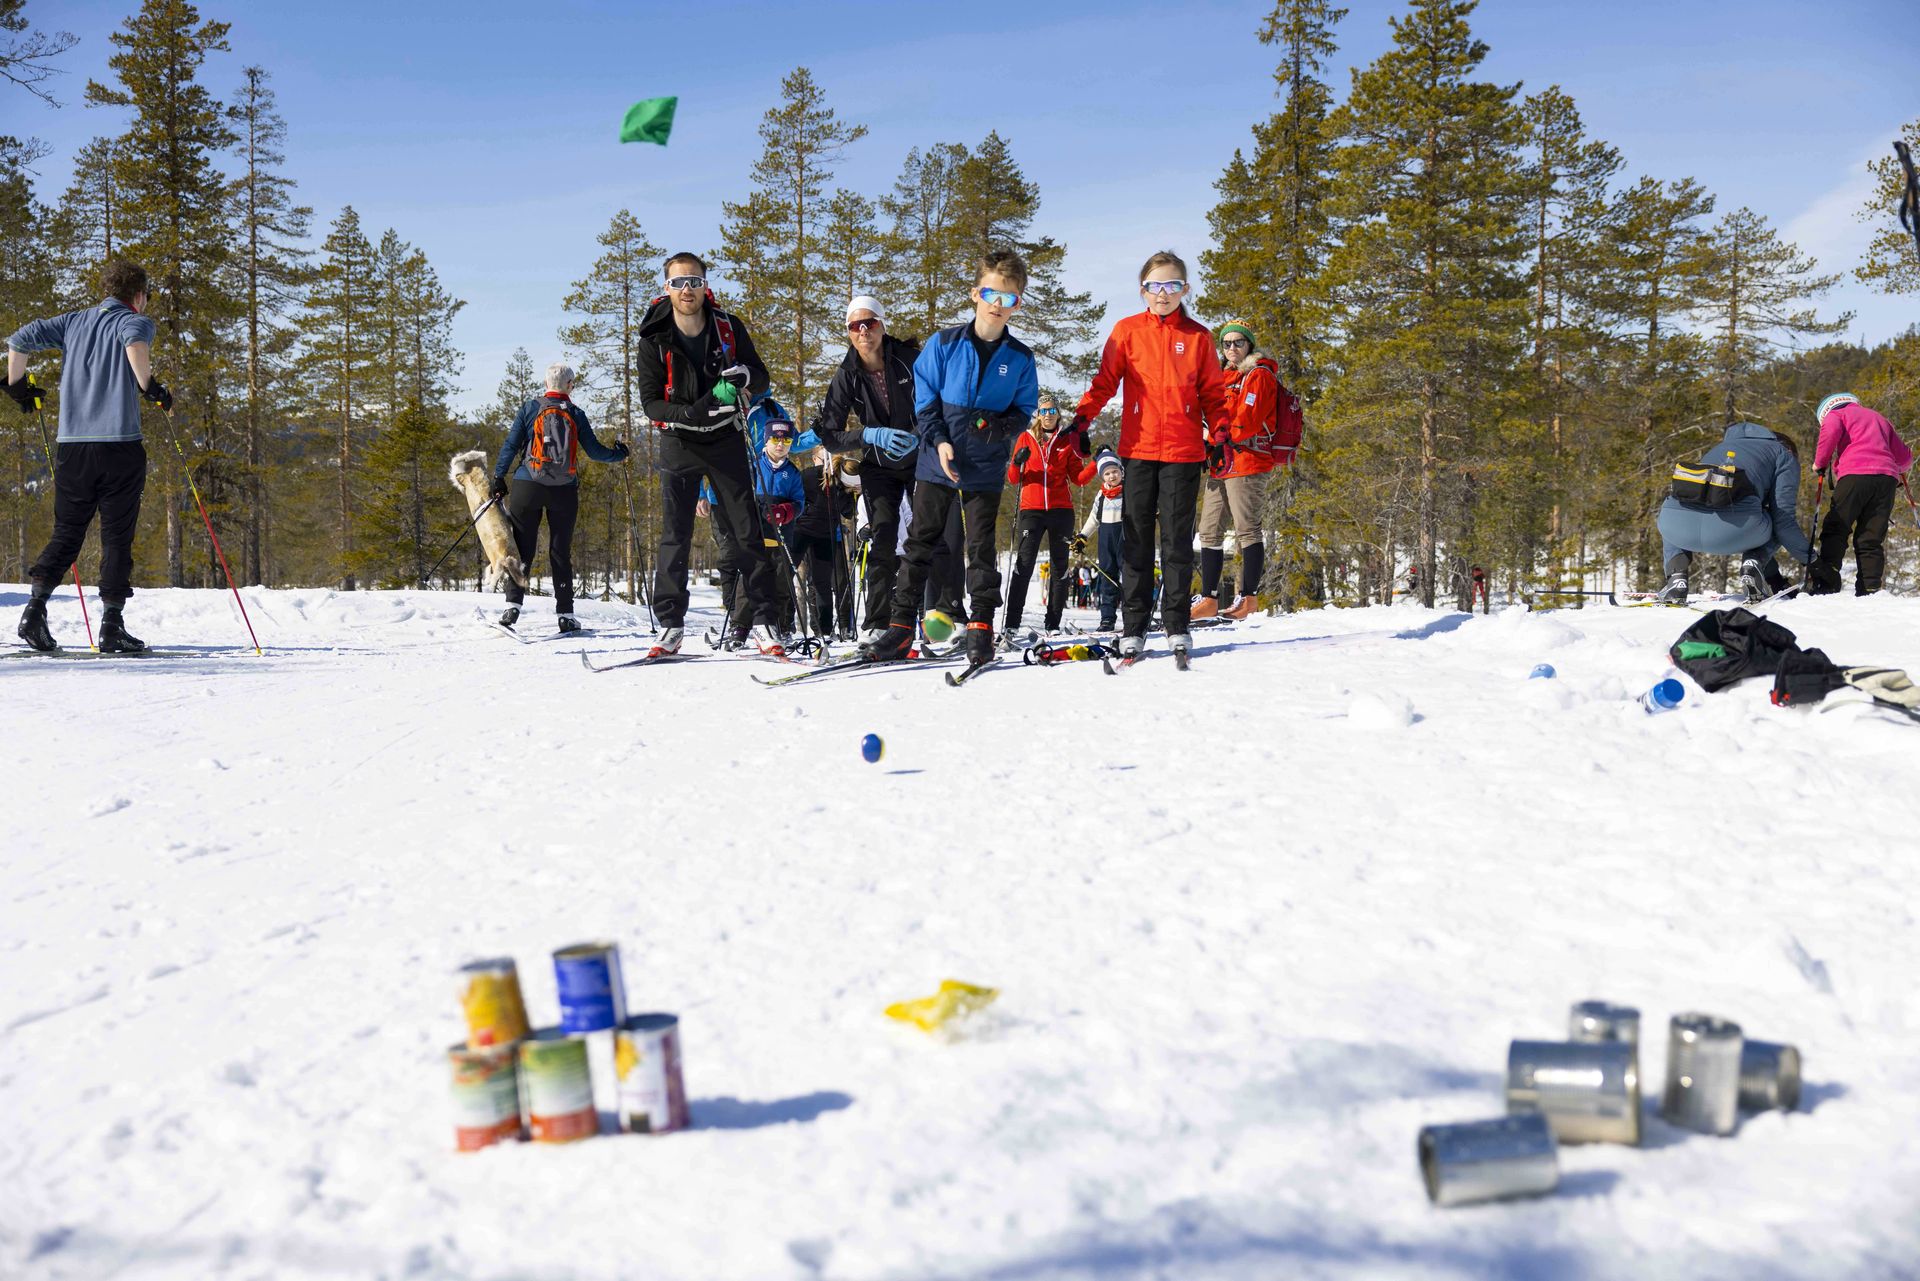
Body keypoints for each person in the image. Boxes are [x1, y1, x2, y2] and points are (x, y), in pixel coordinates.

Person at [864, 250, 1040, 664]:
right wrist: (940, 441)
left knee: (980, 547)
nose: (998, 304)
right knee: (920, 541)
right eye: (991, 293)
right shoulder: (943, 344)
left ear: (1018, 303)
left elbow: (1024, 409)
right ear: (975, 294)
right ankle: (901, 628)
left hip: (985, 465)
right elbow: (923, 403)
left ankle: (981, 627)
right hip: (935, 459)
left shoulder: (1020, 358)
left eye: (1009, 298)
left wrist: (1000, 428)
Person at [1070, 251, 1231, 660]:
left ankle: (1176, 623)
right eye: (1156, 286)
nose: (1164, 293)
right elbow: (1105, 382)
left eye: (1173, 285)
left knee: (1177, 543)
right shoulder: (1127, 331)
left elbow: (1213, 394)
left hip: (1183, 451)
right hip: (1138, 451)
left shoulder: (1198, 337)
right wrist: (1080, 422)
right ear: (1143, 290)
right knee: (1136, 542)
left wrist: (1223, 436)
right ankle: (1135, 625)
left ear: (1185, 290)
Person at [6, 259, 168, 653]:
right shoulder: (134, 319)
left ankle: (34, 611)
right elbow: (134, 342)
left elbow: (18, 339)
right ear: (139, 295)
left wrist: (16, 385)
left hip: (73, 447)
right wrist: (150, 386)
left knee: (67, 531)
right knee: (116, 536)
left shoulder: (73, 321)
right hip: (119, 446)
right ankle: (112, 624)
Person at [635, 251, 788, 657]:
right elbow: (650, 403)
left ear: (706, 286)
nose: (687, 290)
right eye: (679, 283)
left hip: (725, 440)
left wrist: (746, 377)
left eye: (695, 282)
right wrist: (689, 413)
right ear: (666, 289)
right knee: (675, 537)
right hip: (680, 442)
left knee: (748, 533)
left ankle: (763, 622)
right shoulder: (653, 338)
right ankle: (670, 625)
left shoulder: (728, 328)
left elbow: (760, 374)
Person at [810, 295, 920, 640]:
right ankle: (877, 624)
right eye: (854, 326)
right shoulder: (846, 375)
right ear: (848, 332)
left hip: (920, 460)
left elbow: (941, 405)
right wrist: (869, 434)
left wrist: (919, 435)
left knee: (929, 536)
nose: (862, 331)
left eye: (869, 323)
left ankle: (938, 619)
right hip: (879, 464)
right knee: (883, 537)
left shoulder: (910, 360)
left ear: (882, 325)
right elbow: (829, 436)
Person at [490, 362, 629, 633]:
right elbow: (596, 452)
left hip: (526, 484)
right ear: (569, 386)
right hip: (564, 489)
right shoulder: (575, 413)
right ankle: (565, 614)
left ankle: (512, 607)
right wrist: (620, 453)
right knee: (559, 551)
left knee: (522, 548)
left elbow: (510, 445)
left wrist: (498, 477)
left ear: (546, 384)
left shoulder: (530, 409)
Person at [1654, 421, 1813, 604]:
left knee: (1678, 508)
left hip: (1677, 529)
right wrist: (1813, 562)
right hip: (1735, 531)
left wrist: (1776, 581)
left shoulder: (1720, 447)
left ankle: (1677, 578)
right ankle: (1754, 563)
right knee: (1777, 520)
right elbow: (1783, 522)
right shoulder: (1783, 454)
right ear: (1788, 449)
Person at [1195, 321, 1291, 621]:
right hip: (1221, 462)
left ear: (1249, 344)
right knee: (1208, 530)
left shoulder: (1259, 374)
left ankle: (1248, 597)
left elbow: (1247, 419)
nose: (1232, 348)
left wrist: (1219, 437)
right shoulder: (1224, 377)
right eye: (1226, 343)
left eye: (1238, 342)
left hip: (1248, 458)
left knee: (1246, 529)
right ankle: (1209, 598)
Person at [702, 394, 817, 632]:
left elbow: (791, 441)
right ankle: (738, 622)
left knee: (775, 572)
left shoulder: (770, 408)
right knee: (730, 558)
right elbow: (698, 449)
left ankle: (775, 623)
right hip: (723, 493)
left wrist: (820, 432)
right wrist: (699, 494)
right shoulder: (716, 401)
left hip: (770, 512)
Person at [1003, 394, 1096, 635]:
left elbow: (1078, 478)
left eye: (1052, 410)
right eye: (1043, 411)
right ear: (1037, 415)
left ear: (1058, 413)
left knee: (1059, 568)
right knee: (1023, 566)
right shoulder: (1025, 438)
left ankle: (1052, 624)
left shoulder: (1066, 440)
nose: (1048, 415)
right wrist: (1016, 462)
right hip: (1031, 510)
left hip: (1061, 510)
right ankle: (1012, 623)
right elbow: (1014, 478)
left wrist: (1097, 463)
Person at [1809, 392, 1913, 596]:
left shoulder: (1836, 415)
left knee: (1837, 527)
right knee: (1870, 536)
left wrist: (1820, 463)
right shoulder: (1879, 418)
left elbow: (1830, 432)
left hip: (1855, 474)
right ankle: (1870, 588)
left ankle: (1827, 581)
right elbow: (1904, 458)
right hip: (1886, 479)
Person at [792, 451, 859, 638]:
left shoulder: (845, 488)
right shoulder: (812, 475)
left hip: (826, 535)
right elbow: (794, 493)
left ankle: (825, 630)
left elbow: (848, 512)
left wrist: (855, 496)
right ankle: (782, 623)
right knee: (786, 575)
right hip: (801, 531)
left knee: (822, 582)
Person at [1077, 449, 1125, 630]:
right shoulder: (1101, 495)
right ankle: (1107, 618)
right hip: (1106, 539)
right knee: (1107, 577)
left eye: (1115, 471)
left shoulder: (1127, 492)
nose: (1112, 476)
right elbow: (1093, 518)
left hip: (1125, 538)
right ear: (1102, 477)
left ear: (1121, 471)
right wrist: (1083, 536)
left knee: (1130, 577)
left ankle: (1133, 615)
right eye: (1107, 473)